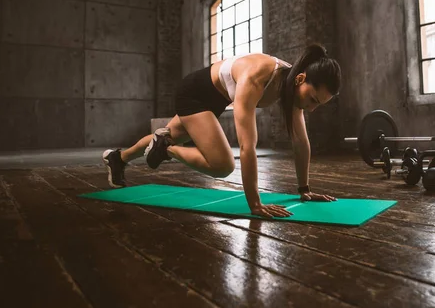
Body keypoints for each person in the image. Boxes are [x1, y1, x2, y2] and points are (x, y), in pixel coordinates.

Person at [102, 43, 342, 218]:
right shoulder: (259, 76)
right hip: (195, 93)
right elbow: (248, 146)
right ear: (301, 79)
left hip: (214, 99)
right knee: (223, 164)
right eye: (312, 99)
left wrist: (305, 190)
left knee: (171, 132)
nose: (310, 108)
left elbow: (301, 142)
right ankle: (167, 149)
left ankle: (118, 158)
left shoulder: (292, 88)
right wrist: (254, 203)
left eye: (317, 105)